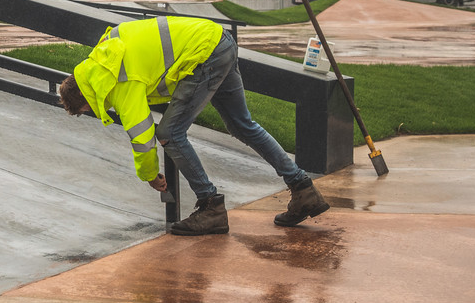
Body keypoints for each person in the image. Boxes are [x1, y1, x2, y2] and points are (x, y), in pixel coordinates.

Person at [57, 15, 329, 236]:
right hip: (218, 40)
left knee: (170, 133)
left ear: (85, 95)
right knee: (242, 124)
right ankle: (303, 189)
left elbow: (142, 137)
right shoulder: (103, 57)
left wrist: (150, 176)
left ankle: (211, 207)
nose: (98, 110)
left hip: (203, 56)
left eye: (88, 108)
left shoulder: (115, 80)